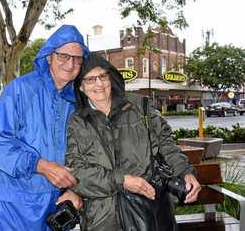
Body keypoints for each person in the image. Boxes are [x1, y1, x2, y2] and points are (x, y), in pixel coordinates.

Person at [65, 53, 201, 231]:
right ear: (81, 87)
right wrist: (122, 180)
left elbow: (167, 147)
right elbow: (76, 172)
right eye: (90, 79)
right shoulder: (76, 122)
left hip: (149, 215)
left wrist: (185, 173)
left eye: (102, 76)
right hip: (102, 220)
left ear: (111, 78)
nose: (98, 84)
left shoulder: (141, 108)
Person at [0, 25, 89, 231]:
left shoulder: (77, 102)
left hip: (54, 209)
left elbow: (86, 154)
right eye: (63, 56)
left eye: (77, 58)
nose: (71, 64)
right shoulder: (20, 89)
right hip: (13, 210)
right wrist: (42, 166)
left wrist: (78, 191)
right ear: (49, 56)